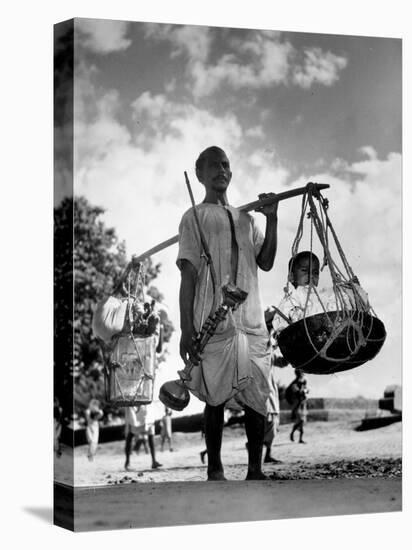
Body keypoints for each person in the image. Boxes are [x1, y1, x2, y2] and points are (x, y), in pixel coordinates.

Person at [178, 145, 279, 481]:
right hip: (212, 318)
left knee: (257, 394)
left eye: (226, 165)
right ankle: (215, 468)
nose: (222, 170)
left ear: (231, 173)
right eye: (214, 166)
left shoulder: (247, 218)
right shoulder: (194, 216)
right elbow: (188, 275)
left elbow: (265, 261)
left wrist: (272, 217)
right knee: (214, 394)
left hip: (250, 319)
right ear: (200, 174)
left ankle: (255, 468)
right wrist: (185, 329)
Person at [124, 404, 162, 471]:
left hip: (147, 412)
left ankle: (154, 461)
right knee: (130, 435)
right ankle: (127, 462)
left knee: (151, 436)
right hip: (135, 410)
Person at [288, 369, 309, 444]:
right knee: (301, 420)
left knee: (302, 422)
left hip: (303, 404)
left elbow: (307, 391)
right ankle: (292, 433)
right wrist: (303, 390)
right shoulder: (294, 384)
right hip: (297, 405)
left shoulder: (303, 383)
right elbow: (298, 393)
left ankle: (299, 438)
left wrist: (305, 389)